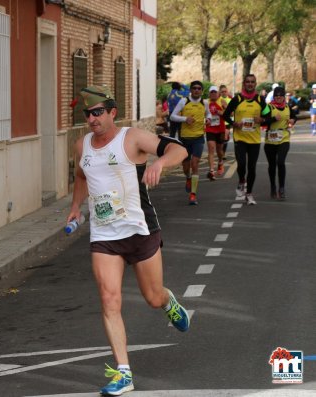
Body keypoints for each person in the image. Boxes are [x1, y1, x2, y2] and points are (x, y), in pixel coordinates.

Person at [67, 85, 190, 396]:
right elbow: (81, 177)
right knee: (109, 300)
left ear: (112, 113)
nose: (92, 118)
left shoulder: (132, 138)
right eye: (88, 114)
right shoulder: (81, 146)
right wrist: (74, 209)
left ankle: (168, 301)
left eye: (98, 112)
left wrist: (160, 163)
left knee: (152, 297)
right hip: (104, 235)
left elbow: (179, 149)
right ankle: (123, 372)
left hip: (140, 229)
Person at [223, 74, 269, 205]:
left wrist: (262, 120)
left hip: (254, 139)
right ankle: (241, 180)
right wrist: (233, 123)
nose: (250, 84)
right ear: (244, 84)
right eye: (248, 82)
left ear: (255, 84)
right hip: (240, 138)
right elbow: (225, 115)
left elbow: (268, 115)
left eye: (252, 82)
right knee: (241, 164)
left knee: (252, 167)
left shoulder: (260, 99)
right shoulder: (237, 99)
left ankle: (249, 194)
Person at [170, 80, 211, 205]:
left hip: (198, 138)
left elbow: (208, 113)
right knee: (186, 167)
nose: (197, 90)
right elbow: (172, 116)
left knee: (195, 164)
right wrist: (185, 119)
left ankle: (193, 195)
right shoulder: (184, 101)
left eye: (199, 88)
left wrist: (208, 119)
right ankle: (188, 178)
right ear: (191, 90)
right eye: (194, 88)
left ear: (202, 91)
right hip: (185, 138)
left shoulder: (205, 102)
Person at [264, 86, 297, 200]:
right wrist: (273, 119)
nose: (278, 98)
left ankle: (281, 188)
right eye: (276, 96)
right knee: (272, 165)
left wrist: (293, 120)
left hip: (284, 138)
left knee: (281, 162)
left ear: (284, 97)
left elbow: (294, 117)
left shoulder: (288, 107)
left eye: (281, 96)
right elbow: (262, 120)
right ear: (274, 97)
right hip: (270, 140)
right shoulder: (268, 107)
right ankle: (273, 186)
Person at [205, 86, 227, 180]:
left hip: (220, 129)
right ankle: (211, 171)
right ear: (209, 93)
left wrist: (221, 112)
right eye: (211, 92)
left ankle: (220, 162)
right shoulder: (206, 102)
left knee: (219, 150)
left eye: (215, 92)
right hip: (210, 129)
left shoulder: (222, 101)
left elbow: (230, 113)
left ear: (218, 93)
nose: (213, 93)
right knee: (211, 149)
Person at [219, 85, 233, 155]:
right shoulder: (218, 100)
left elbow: (232, 113)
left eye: (225, 91)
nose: (224, 93)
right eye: (222, 92)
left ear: (227, 92)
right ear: (220, 92)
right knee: (220, 139)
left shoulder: (231, 100)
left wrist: (225, 108)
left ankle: (223, 153)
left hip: (227, 122)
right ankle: (220, 152)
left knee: (225, 138)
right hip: (219, 122)